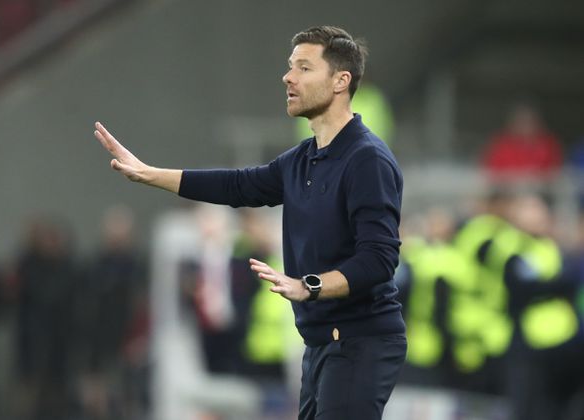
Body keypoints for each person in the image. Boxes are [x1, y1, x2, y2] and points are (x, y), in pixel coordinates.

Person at [94, 25, 406, 420]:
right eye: (290, 66)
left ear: (340, 81)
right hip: (321, 345)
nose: (288, 77)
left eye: (304, 68)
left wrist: (309, 286)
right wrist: (151, 174)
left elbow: (379, 260)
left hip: (361, 343)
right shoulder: (303, 159)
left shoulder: (367, 159)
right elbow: (238, 185)